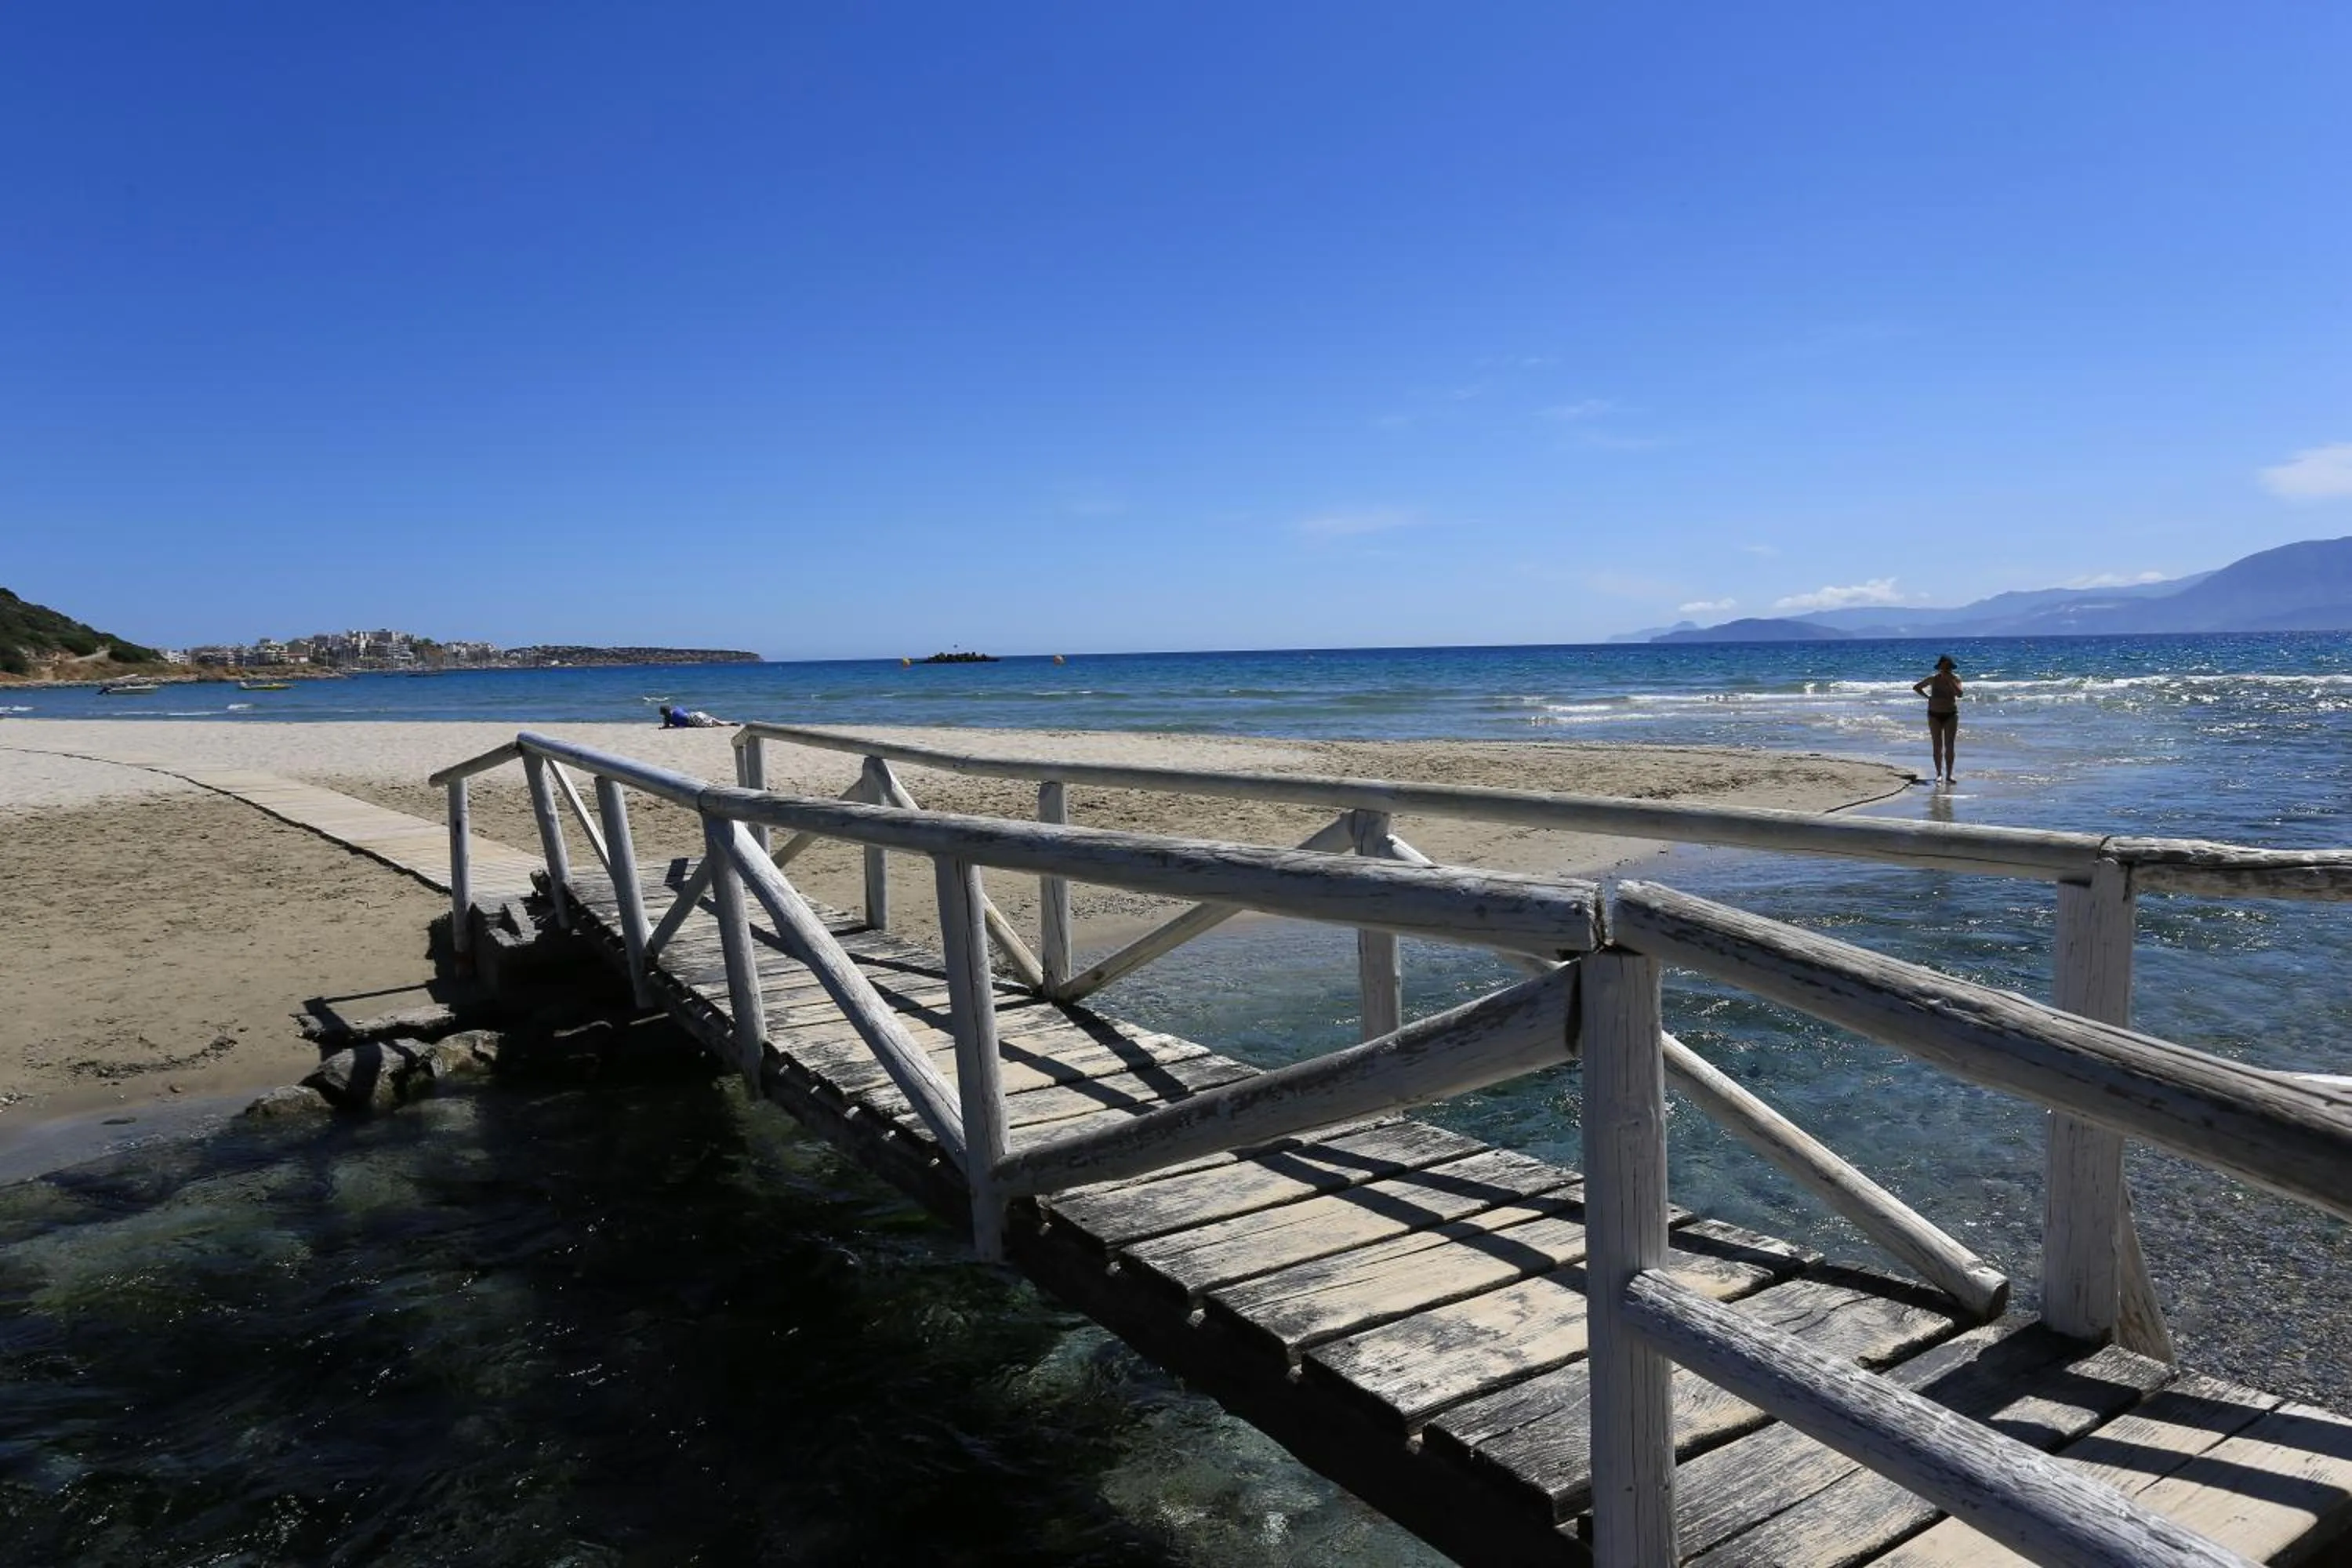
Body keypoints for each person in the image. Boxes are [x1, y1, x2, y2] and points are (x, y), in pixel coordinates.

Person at [1911, 655, 1963, 783]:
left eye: (1948, 667)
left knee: (1949, 745)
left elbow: (1960, 694)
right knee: (1937, 745)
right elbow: (1917, 687)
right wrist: (1927, 697)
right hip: (1934, 714)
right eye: (1943, 667)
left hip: (1950, 714)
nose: (1945, 669)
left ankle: (1949, 775)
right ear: (1939, 667)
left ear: (1951, 668)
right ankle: (1939, 773)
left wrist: (1950, 681)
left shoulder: (1955, 679)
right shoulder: (1933, 679)